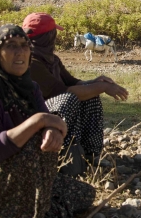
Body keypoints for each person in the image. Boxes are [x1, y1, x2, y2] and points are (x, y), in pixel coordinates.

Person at [0, 24, 96, 217]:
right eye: (11, 45)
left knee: (86, 194)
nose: (20, 52)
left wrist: (52, 129)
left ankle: (30, 206)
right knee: (32, 145)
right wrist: (39, 121)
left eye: (24, 45)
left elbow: (52, 121)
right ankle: (29, 210)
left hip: (20, 177)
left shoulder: (31, 89)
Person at [22, 13, 128, 175]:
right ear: (49, 37)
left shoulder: (51, 59)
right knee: (69, 99)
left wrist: (96, 82)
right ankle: (67, 156)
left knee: (90, 95)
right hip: (34, 120)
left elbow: (72, 82)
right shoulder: (32, 63)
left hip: (49, 114)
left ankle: (91, 154)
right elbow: (65, 92)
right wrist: (100, 87)